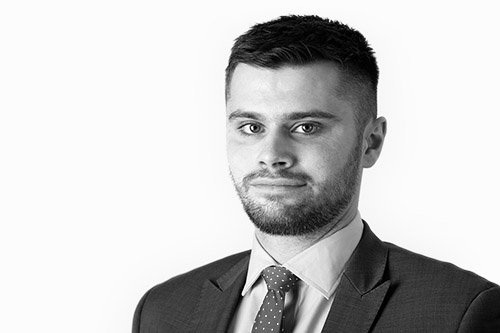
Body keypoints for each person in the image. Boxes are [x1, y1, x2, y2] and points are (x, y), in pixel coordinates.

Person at [133, 15, 500, 332]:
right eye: (250, 127)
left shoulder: (459, 312)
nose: (272, 156)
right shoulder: (163, 310)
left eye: (306, 127)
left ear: (370, 142)